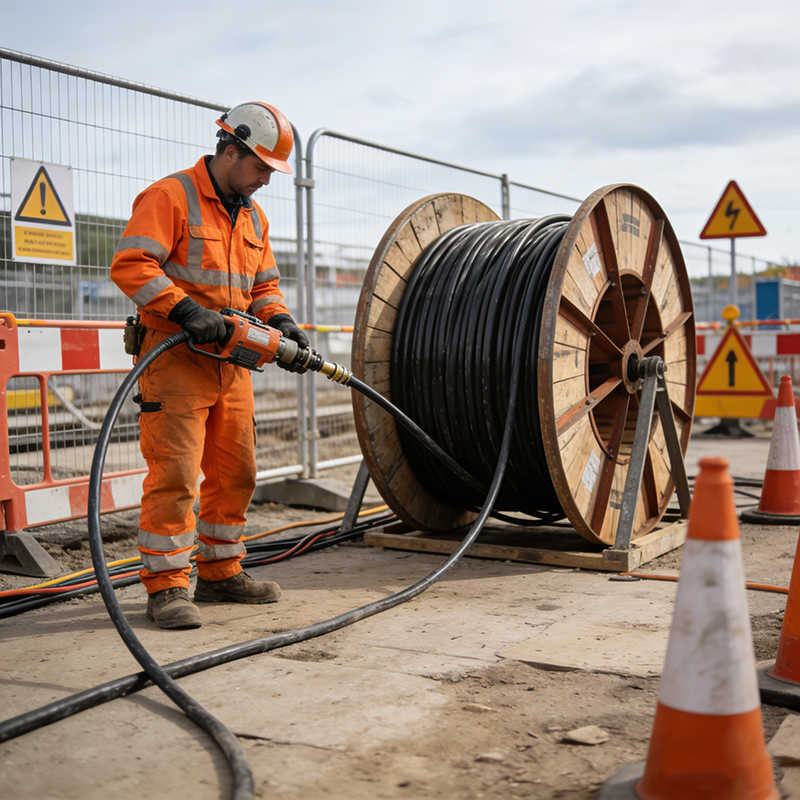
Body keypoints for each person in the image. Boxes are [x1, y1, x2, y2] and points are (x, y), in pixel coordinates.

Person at [110, 102, 309, 630]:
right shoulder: (169, 196)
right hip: (175, 358)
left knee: (235, 472)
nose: (267, 179)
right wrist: (184, 310)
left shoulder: (252, 214)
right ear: (231, 149)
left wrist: (282, 323)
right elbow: (132, 264)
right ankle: (168, 588)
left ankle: (221, 573)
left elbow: (263, 286)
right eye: (261, 167)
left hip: (231, 363)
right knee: (175, 474)